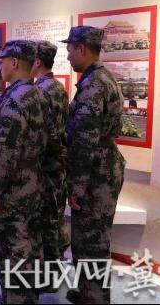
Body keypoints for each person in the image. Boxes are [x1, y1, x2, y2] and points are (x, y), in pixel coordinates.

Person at [62, 26, 125, 304]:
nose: (68, 56)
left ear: (81, 48)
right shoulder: (104, 77)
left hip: (94, 173)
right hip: (103, 167)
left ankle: (95, 298)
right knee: (93, 239)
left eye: (70, 50)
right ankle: (90, 292)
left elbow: (85, 140)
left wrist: (76, 186)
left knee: (91, 242)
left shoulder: (93, 85)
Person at [0, 40, 48, 304]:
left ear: (13, 63)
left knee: (11, 251)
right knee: (30, 246)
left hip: (12, 191)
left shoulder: (14, 99)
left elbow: (5, 151)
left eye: (2, 62)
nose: (0, 67)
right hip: (33, 184)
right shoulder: (37, 94)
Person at [30, 40, 70, 283]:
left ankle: (49, 276)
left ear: (37, 62)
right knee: (55, 218)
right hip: (58, 165)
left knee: (45, 221)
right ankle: (54, 270)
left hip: (45, 167)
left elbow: (39, 135)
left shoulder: (39, 92)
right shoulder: (59, 88)